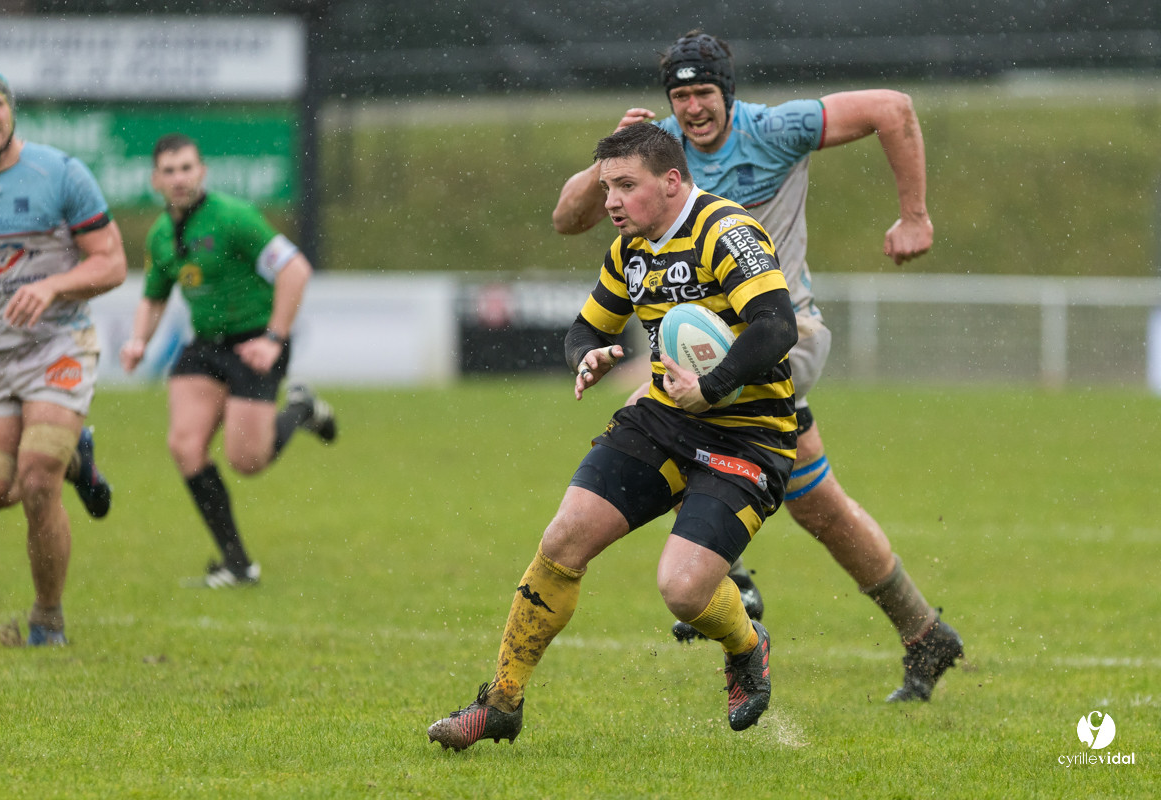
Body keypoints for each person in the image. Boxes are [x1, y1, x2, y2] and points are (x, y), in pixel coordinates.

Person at [551, 31, 963, 703]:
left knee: (649, 421)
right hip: (708, 354)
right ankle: (924, 631)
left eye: (703, 93)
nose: (692, 108)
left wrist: (913, 215)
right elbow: (568, 219)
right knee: (819, 506)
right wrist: (607, 150)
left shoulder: (775, 129)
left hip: (783, 335)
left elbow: (892, 107)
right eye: (680, 96)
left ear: (728, 92)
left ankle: (730, 576)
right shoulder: (655, 152)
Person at [429, 122, 798, 751]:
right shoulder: (631, 250)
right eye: (607, 189)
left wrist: (712, 387)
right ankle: (501, 702)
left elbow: (776, 326)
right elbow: (586, 327)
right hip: (662, 420)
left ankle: (745, 645)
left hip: (748, 436)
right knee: (562, 540)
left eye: (626, 186)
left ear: (672, 181)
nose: (612, 202)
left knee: (683, 590)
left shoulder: (725, 231)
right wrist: (588, 356)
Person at [119, 133, 337, 588]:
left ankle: (300, 409)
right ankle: (237, 564)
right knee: (185, 446)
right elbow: (154, 296)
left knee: (248, 461)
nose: (179, 179)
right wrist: (139, 340)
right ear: (155, 180)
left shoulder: (234, 217)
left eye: (187, 168)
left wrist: (274, 338)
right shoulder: (161, 235)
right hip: (205, 346)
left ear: (202, 172)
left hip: (255, 342)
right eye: (169, 171)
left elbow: (296, 270)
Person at [0, 66, 123, 646]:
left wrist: (53, 286)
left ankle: (47, 618)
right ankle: (75, 461)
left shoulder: (60, 173)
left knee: (35, 479)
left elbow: (111, 262)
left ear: (11, 109)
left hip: (57, 347)